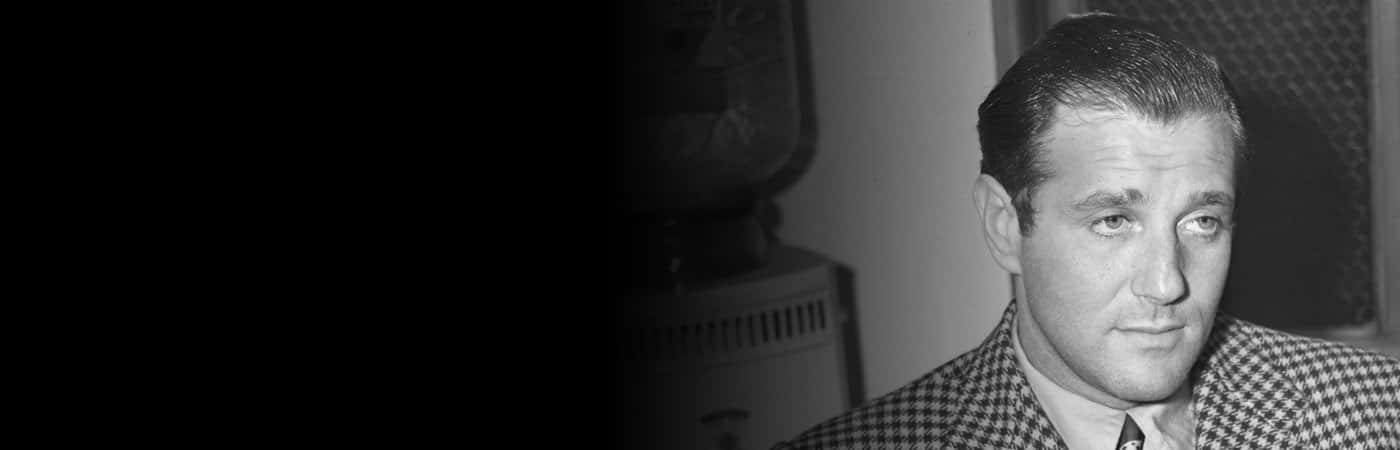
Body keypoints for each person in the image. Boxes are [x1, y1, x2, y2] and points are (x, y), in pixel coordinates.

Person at [773, 12, 1400, 450]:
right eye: (1113, 221)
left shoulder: (1374, 413)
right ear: (1005, 226)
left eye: (1201, 221)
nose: (1167, 284)